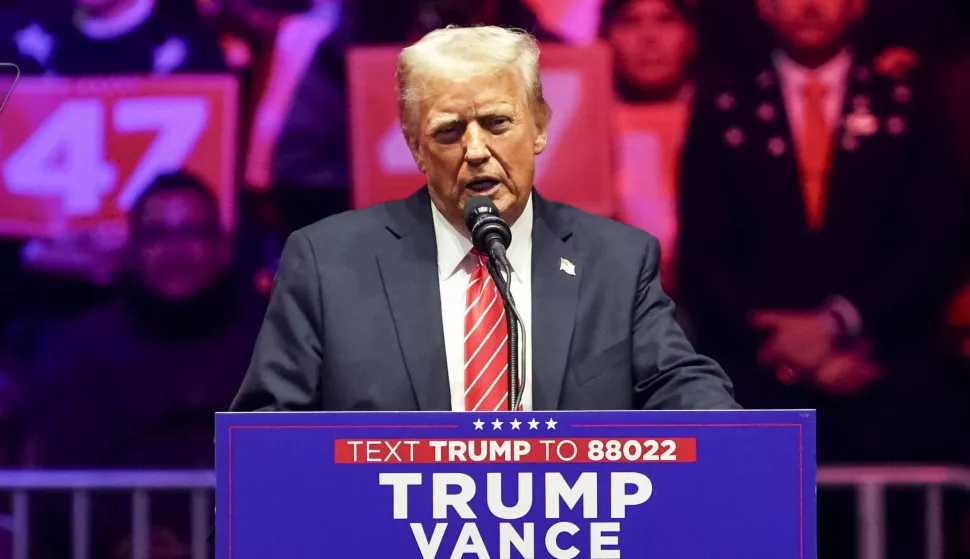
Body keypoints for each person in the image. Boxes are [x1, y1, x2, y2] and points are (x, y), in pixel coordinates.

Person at [231, 25, 739, 413]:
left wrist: (741, 447)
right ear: (415, 147)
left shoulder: (616, 262)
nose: (476, 150)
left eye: (497, 123)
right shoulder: (327, 264)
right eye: (449, 131)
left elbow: (683, 386)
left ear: (539, 127)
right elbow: (266, 441)